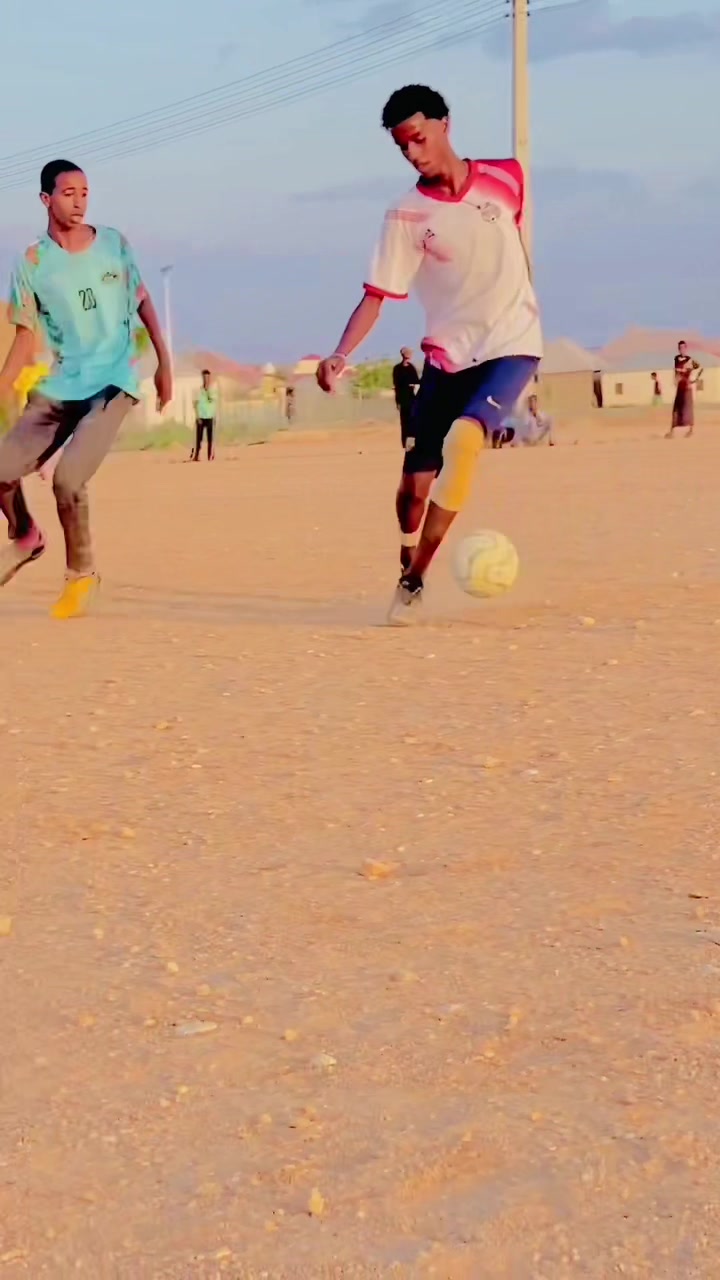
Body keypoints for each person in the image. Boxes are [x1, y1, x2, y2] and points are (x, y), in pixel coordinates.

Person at [316, 84, 541, 624]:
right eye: (402, 147)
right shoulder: (406, 215)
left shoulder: (508, 177)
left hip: (512, 344)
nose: (413, 154)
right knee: (414, 489)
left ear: (445, 124)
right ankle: (406, 552)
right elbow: (377, 295)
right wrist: (340, 353)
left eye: (418, 138)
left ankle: (414, 579)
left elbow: (509, 247)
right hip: (447, 359)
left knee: (465, 442)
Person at [0, 159, 171, 618]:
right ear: (46, 200)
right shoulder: (32, 262)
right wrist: (2, 386)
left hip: (113, 383)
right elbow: (24, 337)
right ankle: (26, 536)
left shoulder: (113, 243)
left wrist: (164, 363)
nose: (79, 202)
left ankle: (82, 575)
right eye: (68, 193)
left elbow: (143, 301)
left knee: (68, 479)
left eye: (85, 193)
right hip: (62, 384)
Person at [667, 341, 702, 438]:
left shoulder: (689, 359)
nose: (681, 349)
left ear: (686, 348)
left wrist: (692, 378)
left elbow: (696, 366)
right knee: (676, 409)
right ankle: (672, 432)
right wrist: (675, 379)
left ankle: (691, 430)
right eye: (680, 348)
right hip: (680, 387)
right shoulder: (676, 358)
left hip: (687, 387)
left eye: (683, 347)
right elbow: (676, 371)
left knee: (688, 409)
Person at [392, 346, 420, 448]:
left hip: (411, 398)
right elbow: (396, 385)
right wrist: (397, 401)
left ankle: (411, 442)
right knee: (404, 421)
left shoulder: (411, 368)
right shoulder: (397, 369)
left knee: (412, 421)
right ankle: (405, 442)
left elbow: (416, 382)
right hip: (403, 398)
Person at [192, 369, 217, 460]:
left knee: (210, 438)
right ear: (202, 378)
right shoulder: (198, 391)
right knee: (199, 438)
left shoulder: (213, 390)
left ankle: (210, 456)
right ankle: (197, 455)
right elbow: (195, 404)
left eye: (208, 378)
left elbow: (212, 401)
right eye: (204, 377)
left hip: (210, 416)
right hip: (201, 417)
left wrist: (208, 390)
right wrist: (197, 416)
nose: (206, 379)